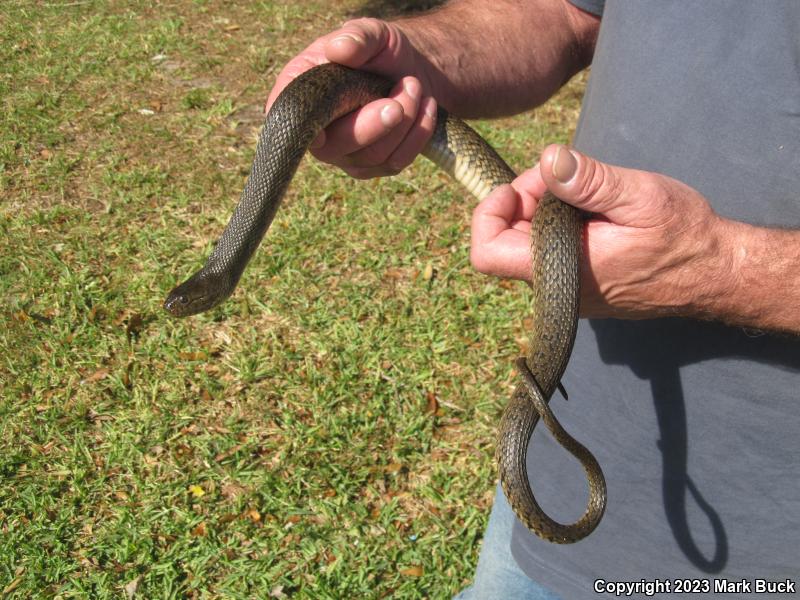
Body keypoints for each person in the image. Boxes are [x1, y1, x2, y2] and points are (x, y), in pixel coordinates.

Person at [266, 1, 800, 597]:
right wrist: (420, 60)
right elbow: (569, 13)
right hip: (567, 437)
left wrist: (717, 268)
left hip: (773, 541)